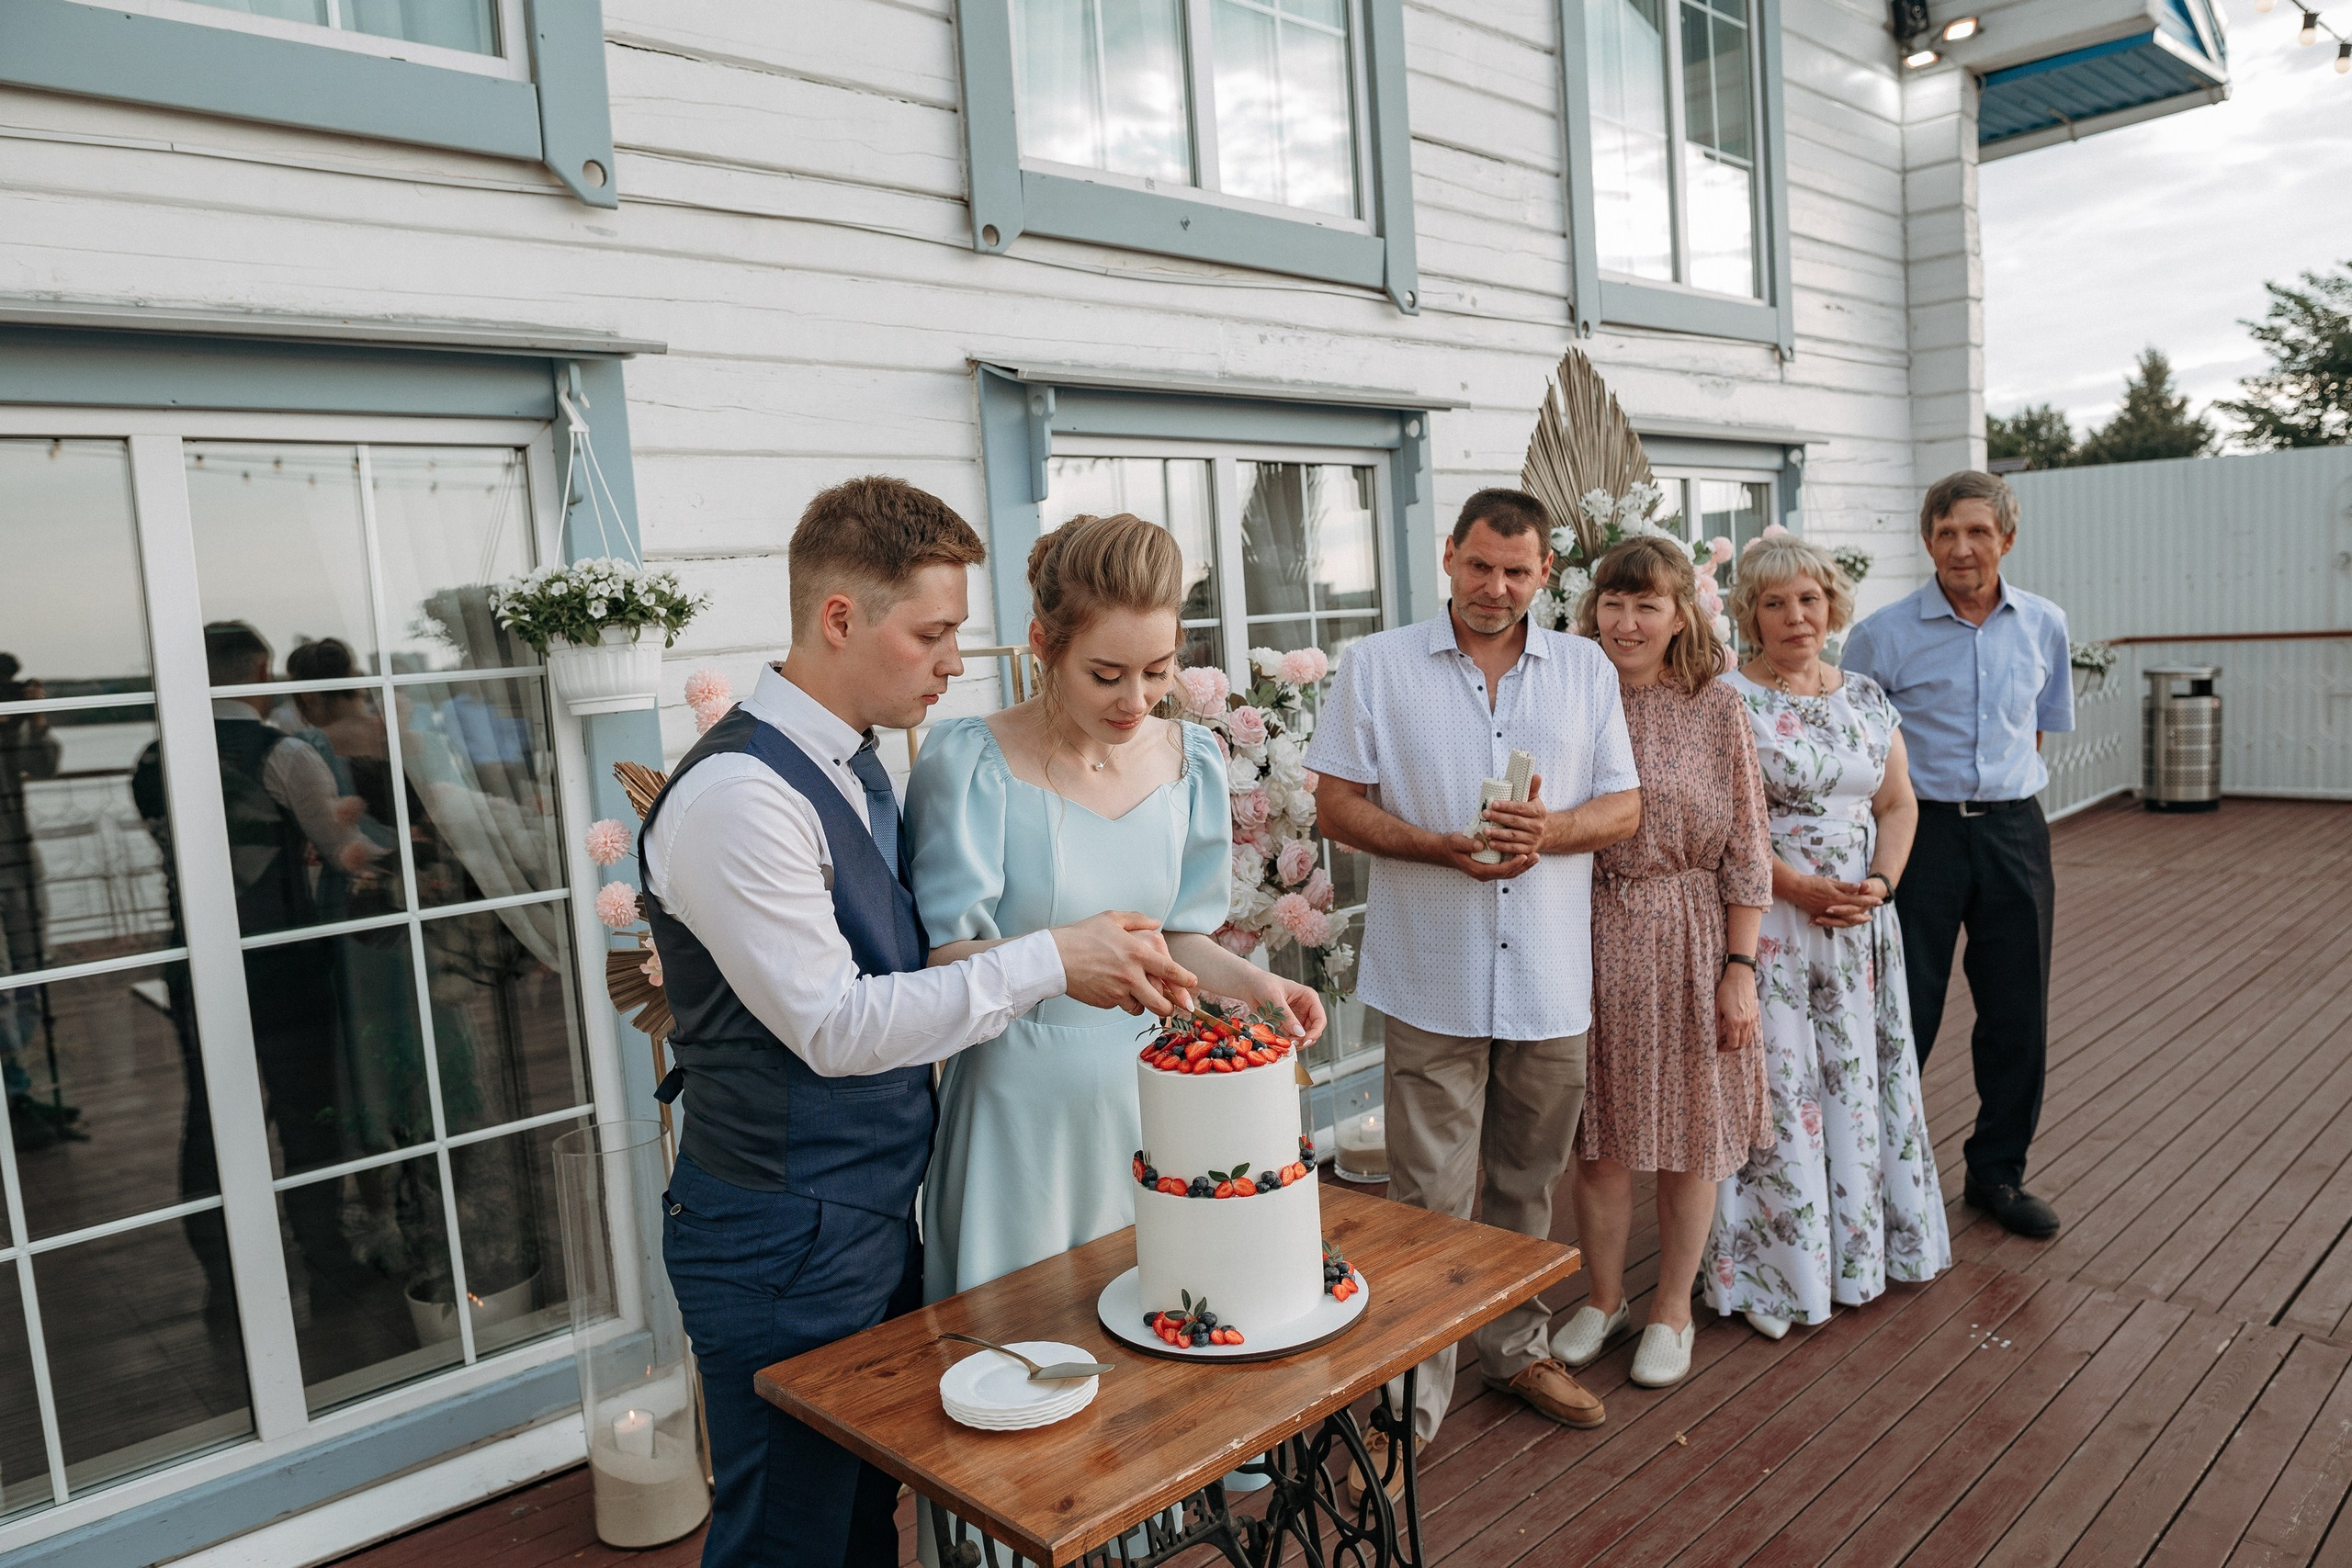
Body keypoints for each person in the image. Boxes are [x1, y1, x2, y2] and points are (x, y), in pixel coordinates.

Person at [640, 477, 1201, 1568]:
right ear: (838, 618)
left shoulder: (850, 766)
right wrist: (1052, 958)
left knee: (857, 1521)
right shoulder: (739, 799)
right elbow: (836, 1027)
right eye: (932, 634)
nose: (953, 662)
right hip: (777, 1235)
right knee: (788, 1539)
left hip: (863, 1218)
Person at [1310, 487, 1641, 1481]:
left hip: (1548, 978)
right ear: (1449, 555)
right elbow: (1335, 805)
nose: (1495, 587)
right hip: (1432, 973)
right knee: (1426, 1199)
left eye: (1516, 571)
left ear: (1545, 573)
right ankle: (1408, 1401)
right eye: (1480, 566)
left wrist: (1552, 830)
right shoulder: (1376, 665)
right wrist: (1434, 847)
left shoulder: (1585, 668)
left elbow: (1623, 807)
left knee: (1526, 1185)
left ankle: (1514, 1349)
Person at [910, 513, 1324, 1302]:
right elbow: (943, 961)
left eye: (1158, 671)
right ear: (1044, 644)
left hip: (1157, 1102)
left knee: (1170, 1321)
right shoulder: (969, 763)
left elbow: (1175, 935)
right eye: (1106, 675)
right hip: (1018, 1114)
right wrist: (1060, 960)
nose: (1136, 700)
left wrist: (1255, 986)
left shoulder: (1192, 760)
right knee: (1023, 1342)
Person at [1702, 536, 1950, 1337]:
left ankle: (1859, 1257)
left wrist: (1880, 884)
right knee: (1781, 1094)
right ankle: (1777, 1275)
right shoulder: (1728, 699)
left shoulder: (1868, 697)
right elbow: (1726, 825)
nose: (1795, 616)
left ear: (1831, 606)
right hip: (1770, 925)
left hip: (1859, 931)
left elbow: (1898, 803)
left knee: (1856, 1085)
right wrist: (1796, 885)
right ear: (1751, 614)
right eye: (1774, 603)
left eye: (1808, 599)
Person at [1550, 537, 1770, 1390]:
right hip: (1587, 930)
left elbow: (1748, 845)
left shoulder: (1716, 705)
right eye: (1614, 602)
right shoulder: (1571, 695)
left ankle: (1671, 1309)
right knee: (1599, 1142)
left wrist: (1739, 966)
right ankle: (1604, 1299)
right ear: (1592, 608)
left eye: (1647, 604)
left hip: (1690, 933)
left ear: (1681, 615)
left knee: (1689, 1137)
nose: (1627, 621)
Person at [1840, 471, 2074, 1239]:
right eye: (1947, 533)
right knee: (1904, 1009)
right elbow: (1857, 749)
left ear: (2008, 538)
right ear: (1927, 541)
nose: (1962, 547)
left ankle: (1997, 1173)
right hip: (1921, 836)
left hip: (2014, 831)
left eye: (1978, 531)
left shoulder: (2044, 624)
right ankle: (1880, 1179)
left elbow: (2034, 730)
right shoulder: (1881, 635)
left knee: (2017, 1011)